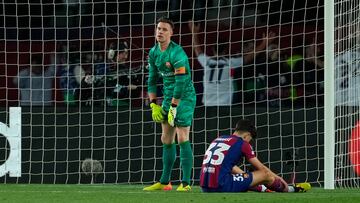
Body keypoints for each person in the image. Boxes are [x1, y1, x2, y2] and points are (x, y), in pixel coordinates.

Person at [143, 17, 196, 192]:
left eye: (165, 29)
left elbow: (180, 84)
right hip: (167, 97)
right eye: (158, 28)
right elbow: (151, 80)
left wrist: (174, 107)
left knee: (182, 137)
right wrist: (152, 104)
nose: (160, 32)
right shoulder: (153, 53)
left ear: (171, 33)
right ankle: (165, 182)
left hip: (185, 97)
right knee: (166, 139)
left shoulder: (177, 53)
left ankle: (186, 183)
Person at [200, 119, 311, 192]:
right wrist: (279, 178)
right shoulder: (242, 143)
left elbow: (230, 166)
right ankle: (290, 189)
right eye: (250, 139)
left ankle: (262, 188)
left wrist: (246, 177)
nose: (249, 142)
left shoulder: (219, 138)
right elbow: (262, 170)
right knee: (264, 175)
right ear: (247, 135)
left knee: (247, 177)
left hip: (205, 186)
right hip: (221, 185)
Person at [188, 21, 275, 106]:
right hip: (225, 104)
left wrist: (194, 33)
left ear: (212, 50)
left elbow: (197, 50)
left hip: (208, 104)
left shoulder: (206, 62)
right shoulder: (230, 63)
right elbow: (249, 57)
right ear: (226, 51)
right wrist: (264, 43)